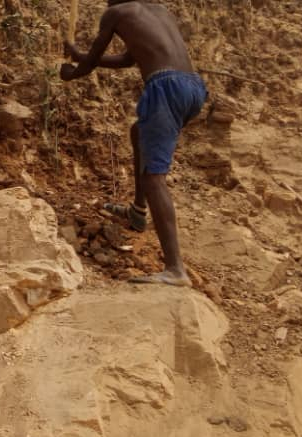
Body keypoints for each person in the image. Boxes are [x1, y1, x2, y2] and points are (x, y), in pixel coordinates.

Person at [60, 0, 207, 287]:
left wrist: (72, 71)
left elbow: (89, 66)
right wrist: (80, 54)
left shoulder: (116, 13)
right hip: (193, 86)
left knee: (155, 178)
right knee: (139, 132)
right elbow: (128, 59)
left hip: (165, 86)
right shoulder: (159, 11)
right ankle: (138, 213)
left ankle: (176, 269)